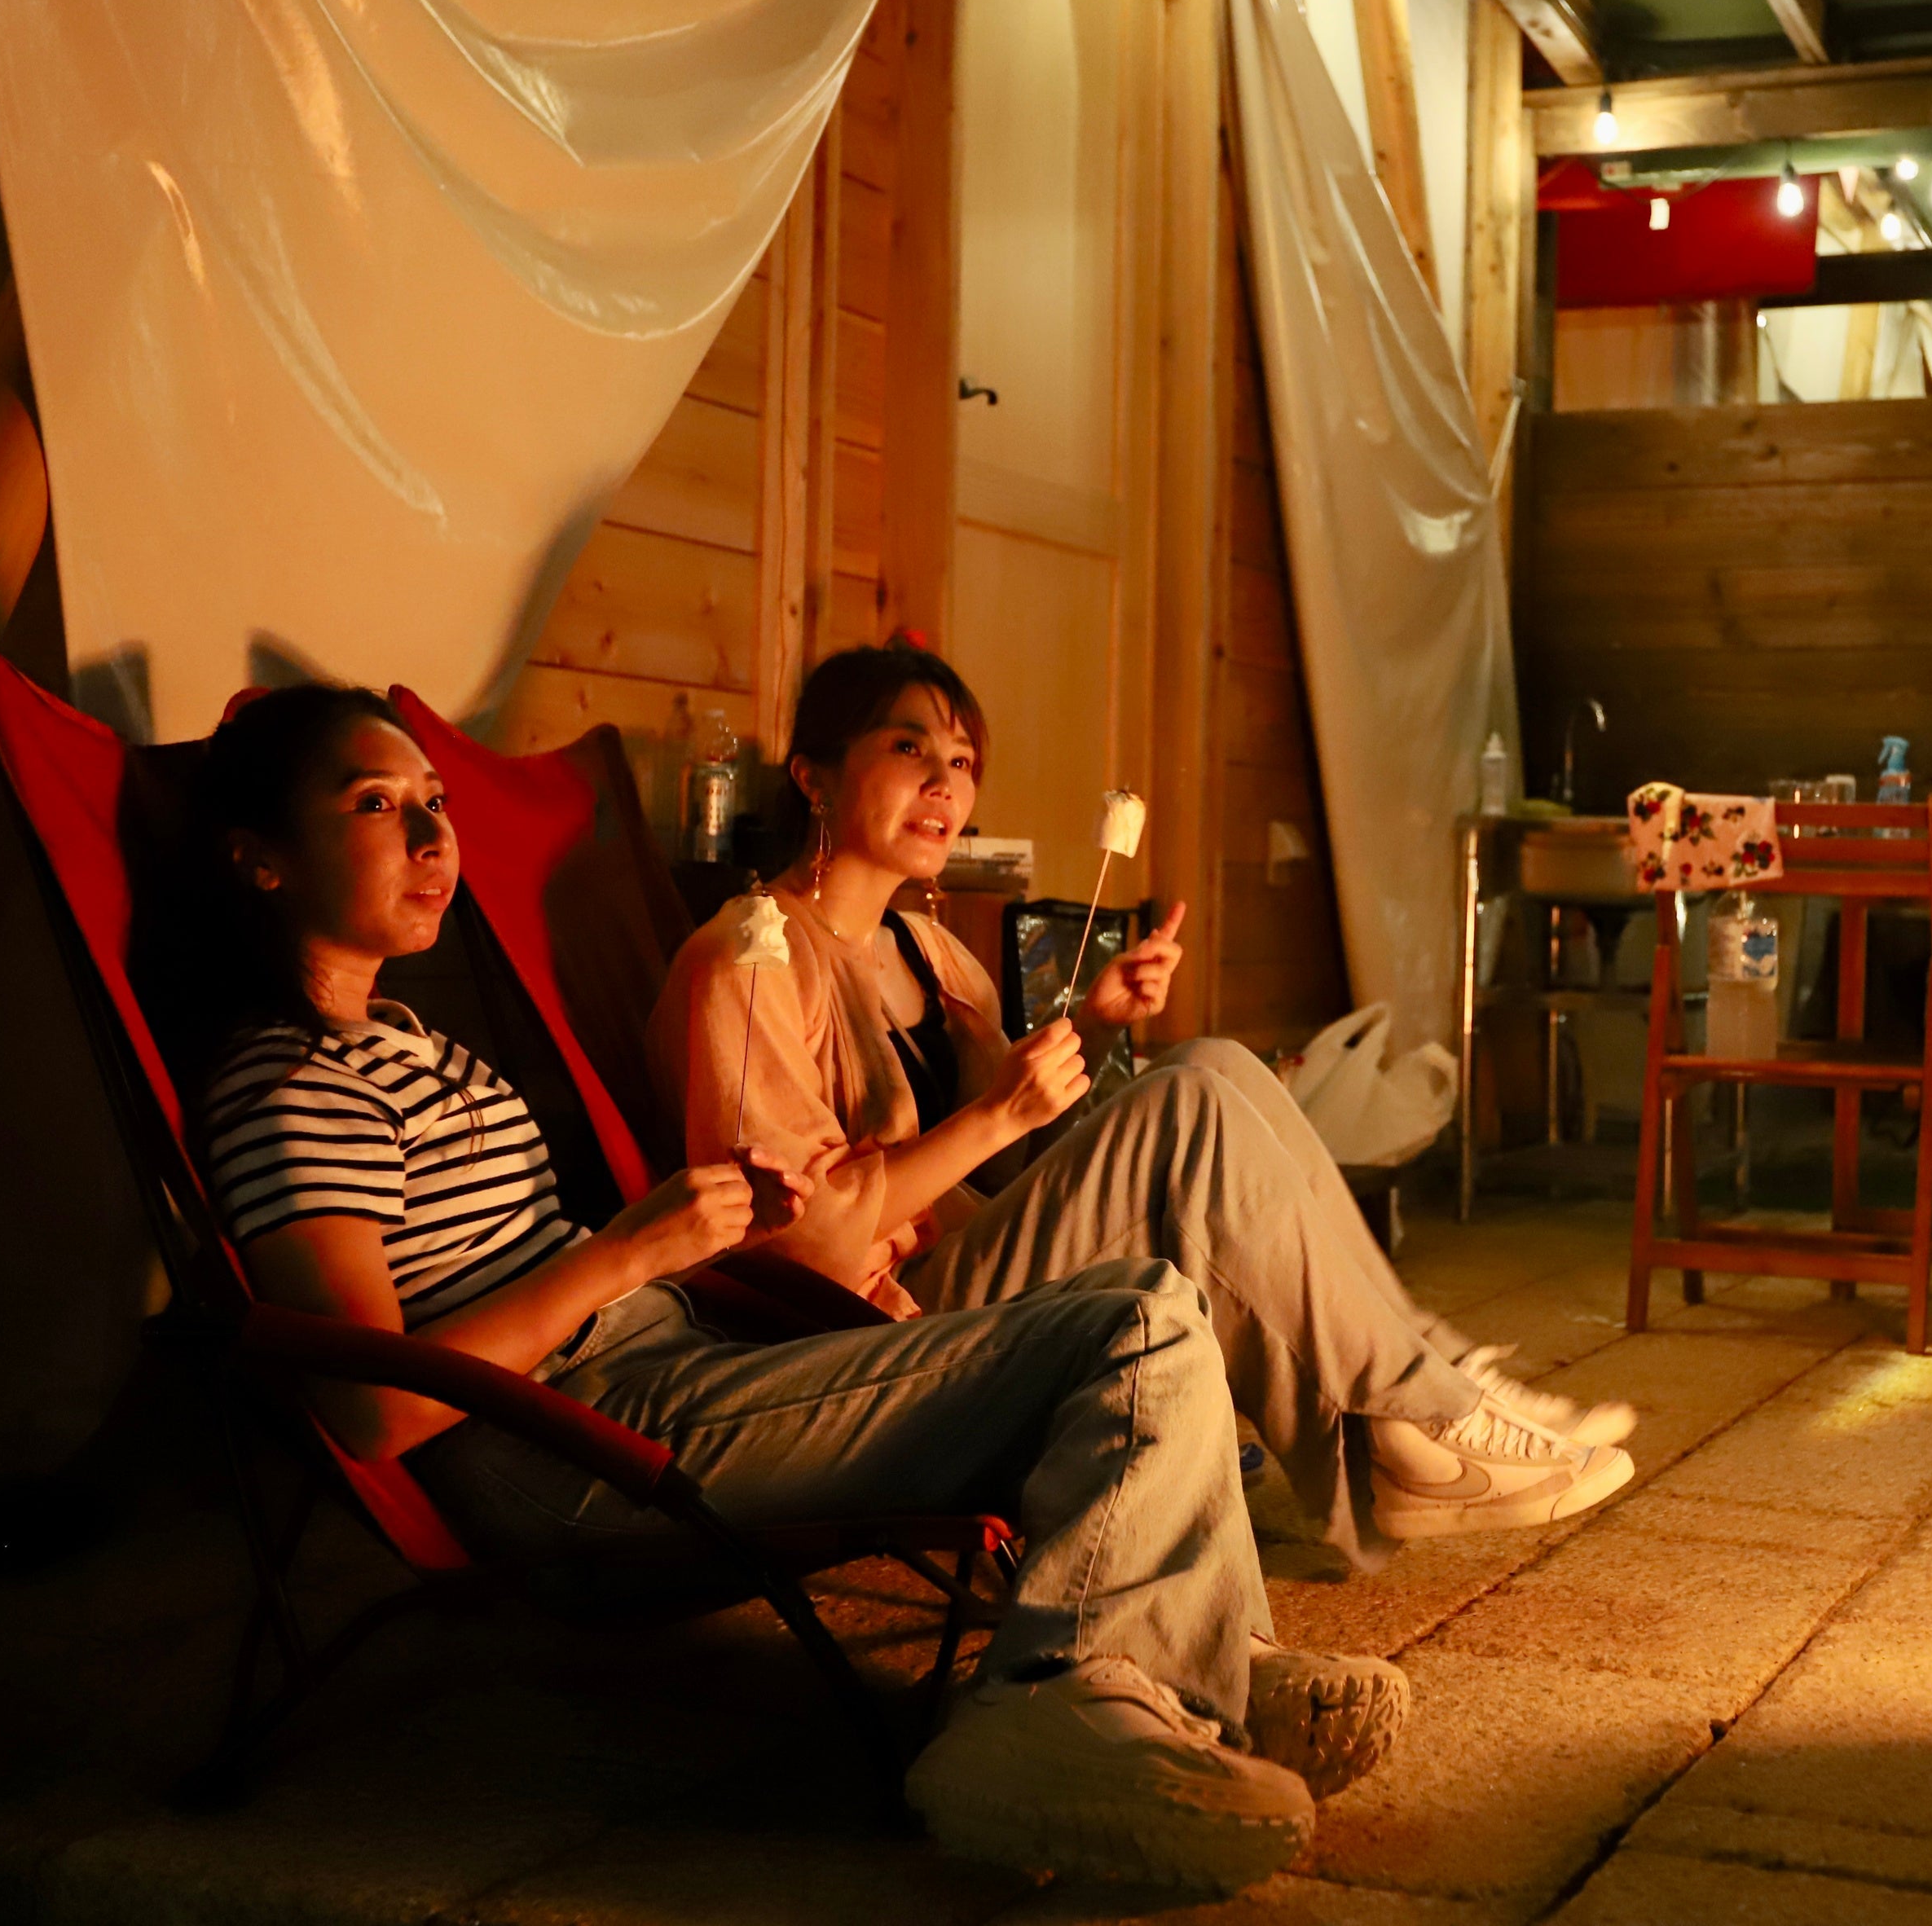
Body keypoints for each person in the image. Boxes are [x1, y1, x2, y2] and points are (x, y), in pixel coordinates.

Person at [187, 683, 1406, 1895]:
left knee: (1152, 1308)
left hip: (664, 1364)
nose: (431, 835)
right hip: (575, 1445)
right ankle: (1056, 1709)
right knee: (1131, 1324)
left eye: (436, 801)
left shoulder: (414, 1045)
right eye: (376, 804)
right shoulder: (292, 1089)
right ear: (262, 860)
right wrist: (631, 1252)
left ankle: (1204, 1667)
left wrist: (703, 1235)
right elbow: (372, 1405)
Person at [649, 645, 1636, 1570]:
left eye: (963, 760)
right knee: (1191, 1100)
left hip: (970, 1258)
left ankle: (1434, 1381)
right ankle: (1419, 1420)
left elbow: (1020, 1168)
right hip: (874, 1335)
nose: (945, 783)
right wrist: (997, 1115)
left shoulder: (931, 953)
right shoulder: (749, 959)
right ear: (814, 775)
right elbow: (800, 1240)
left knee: (1214, 1063)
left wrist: (1096, 1025)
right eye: (910, 748)